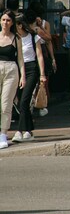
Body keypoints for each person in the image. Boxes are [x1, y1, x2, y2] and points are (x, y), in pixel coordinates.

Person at [12, 15, 46, 143]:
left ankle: (19, 131)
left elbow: (39, 56)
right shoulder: (13, 38)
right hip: (17, 69)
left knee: (24, 101)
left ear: (20, 25)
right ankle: (28, 130)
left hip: (31, 69)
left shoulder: (33, 37)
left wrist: (42, 74)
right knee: (20, 101)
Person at [0, 11, 19, 149]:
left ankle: (3, 133)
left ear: (12, 23)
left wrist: (23, 76)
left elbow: (21, 59)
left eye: (8, 20)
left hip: (11, 69)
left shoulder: (16, 38)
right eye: (3, 20)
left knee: (6, 103)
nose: (5, 23)